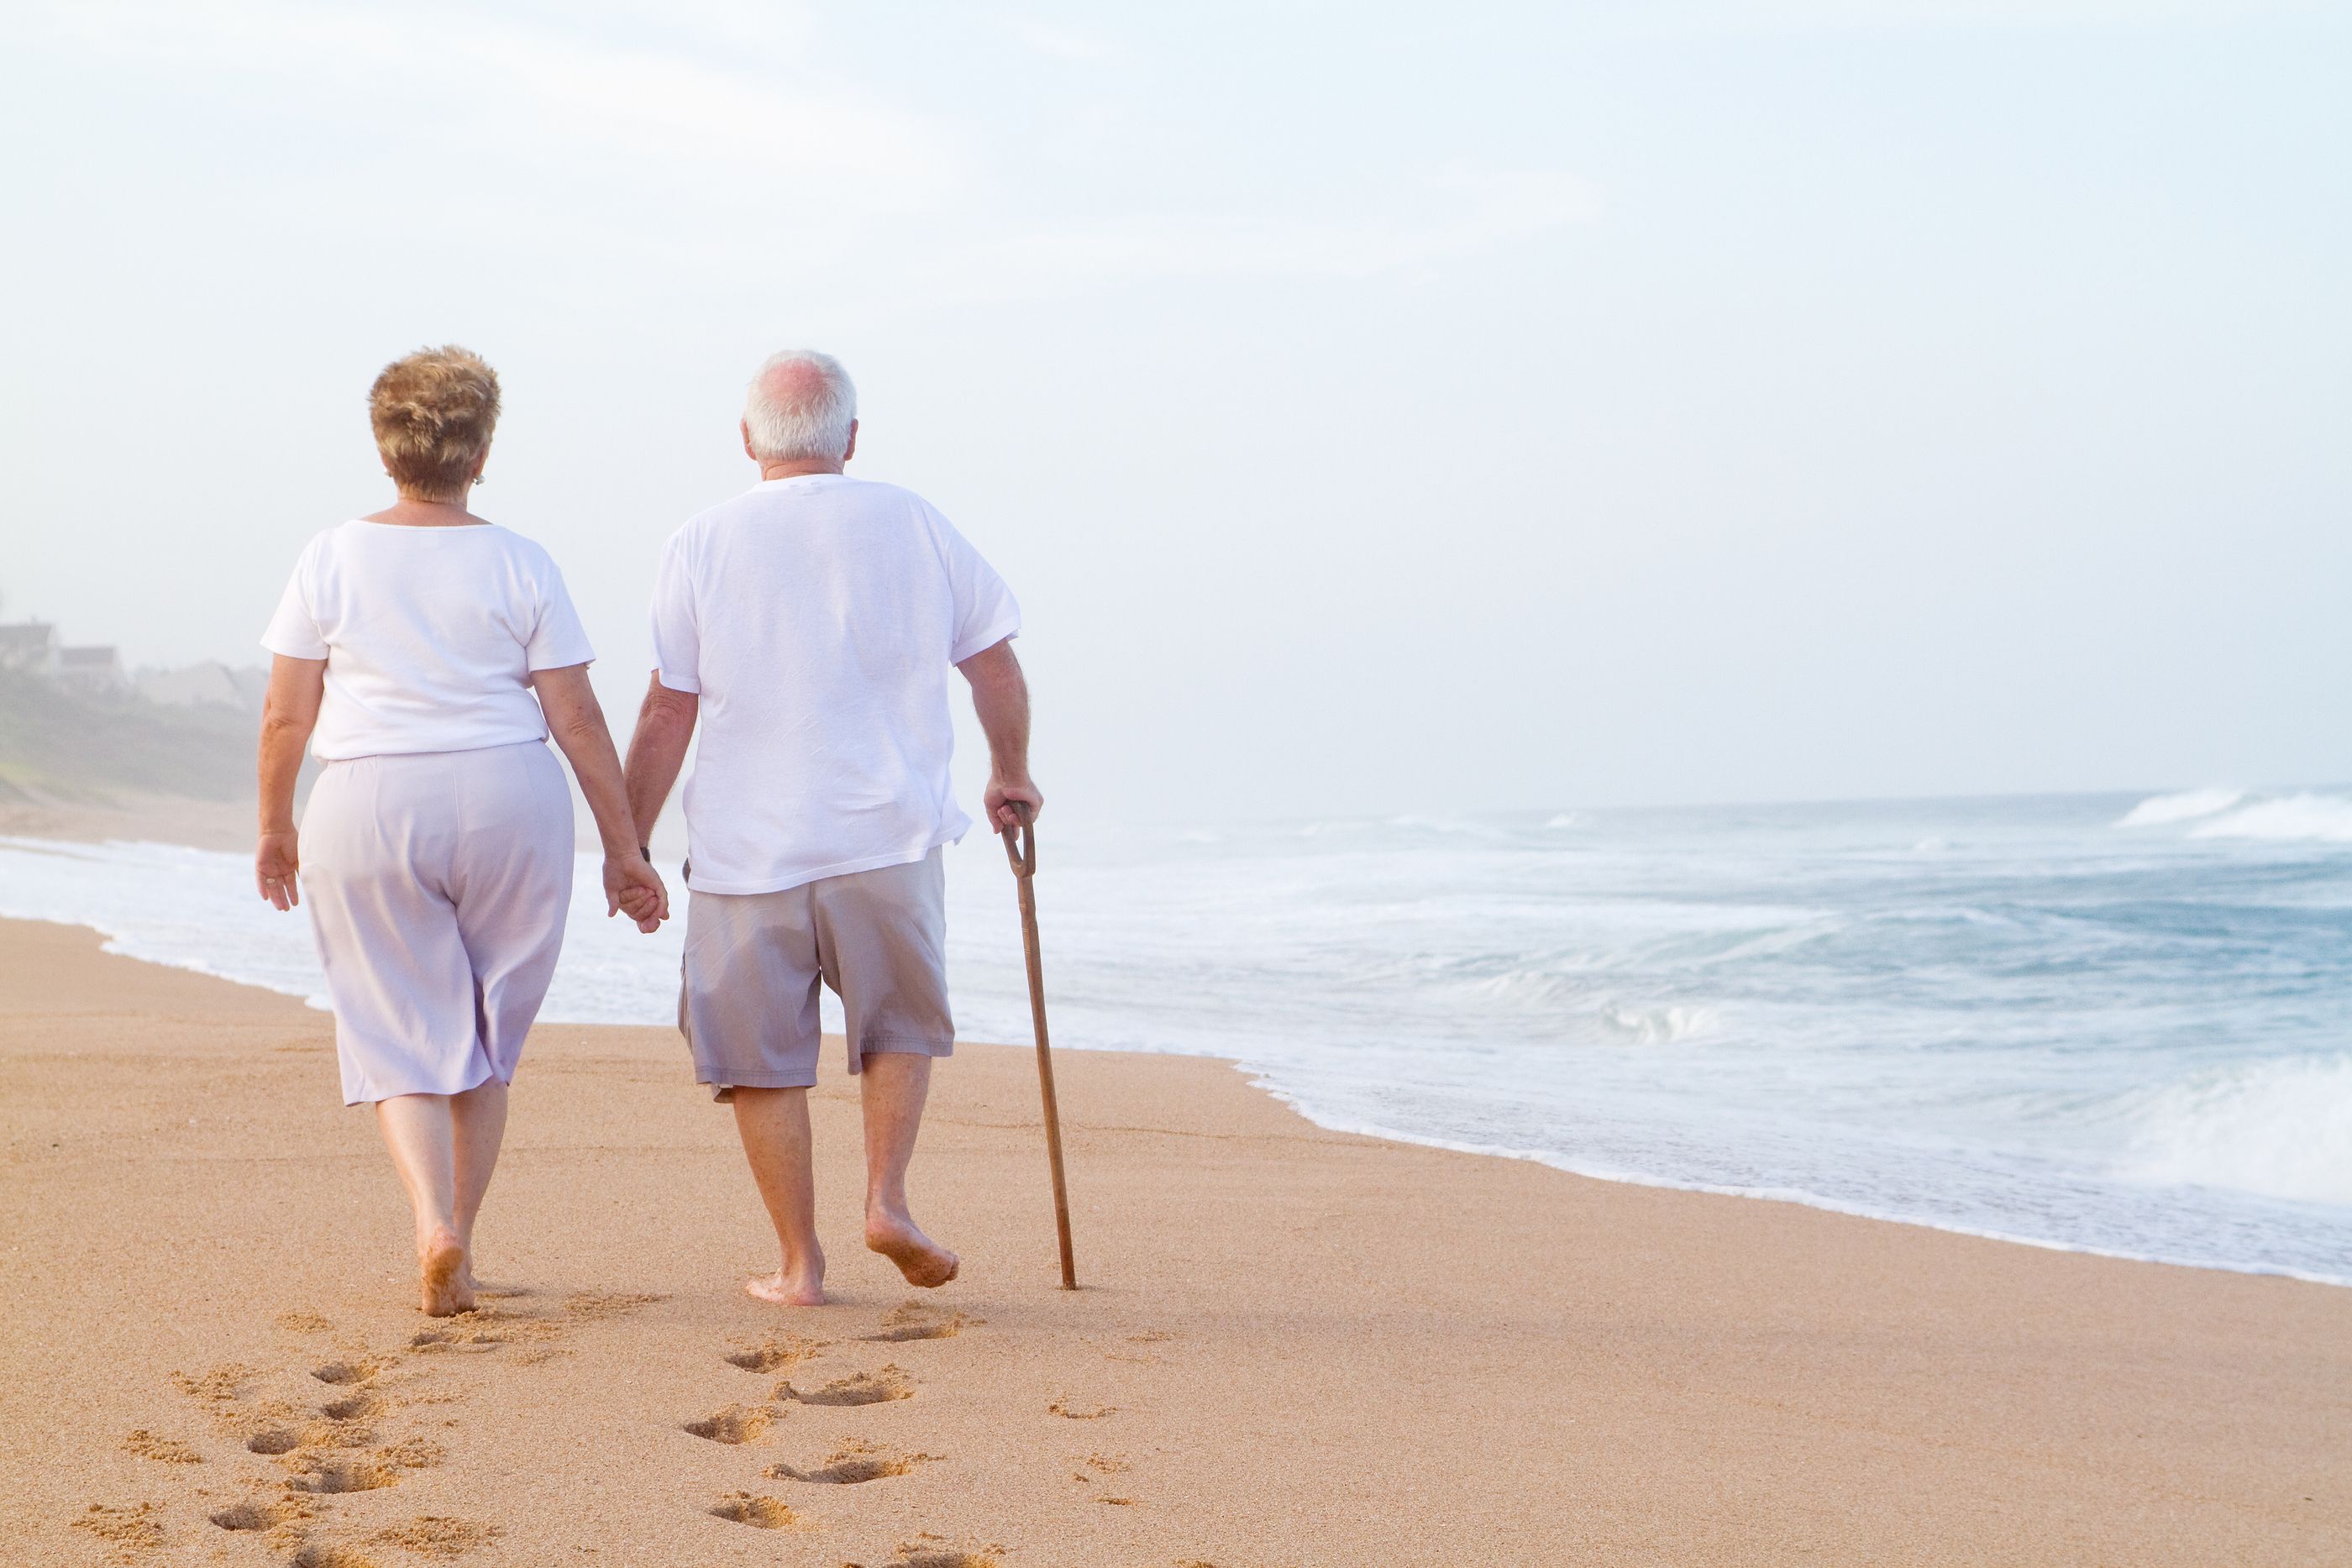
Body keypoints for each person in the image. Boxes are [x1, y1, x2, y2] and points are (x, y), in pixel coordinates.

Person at [255, 344, 668, 1317]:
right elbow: (577, 719)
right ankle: (463, 1248)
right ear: (481, 454)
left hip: (367, 801)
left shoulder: (329, 555)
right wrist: (624, 848)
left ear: (383, 449)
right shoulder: (521, 560)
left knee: (397, 1028)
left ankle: (432, 1223)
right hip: (509, 798)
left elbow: (284, 715)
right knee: (485, 1035)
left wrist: (274, 824)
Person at [622, 349, 1038, 1307]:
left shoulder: (700, 540)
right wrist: (1010, 771)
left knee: (763, 1059)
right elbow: (995, 665)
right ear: (851, 436)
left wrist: (629, 844)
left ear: (747, 440)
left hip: (746, 854)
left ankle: (799, 1264)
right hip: (886, 836)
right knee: (896, 1026)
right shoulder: (914, 520)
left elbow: (667, 709)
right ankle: (887, 1202)